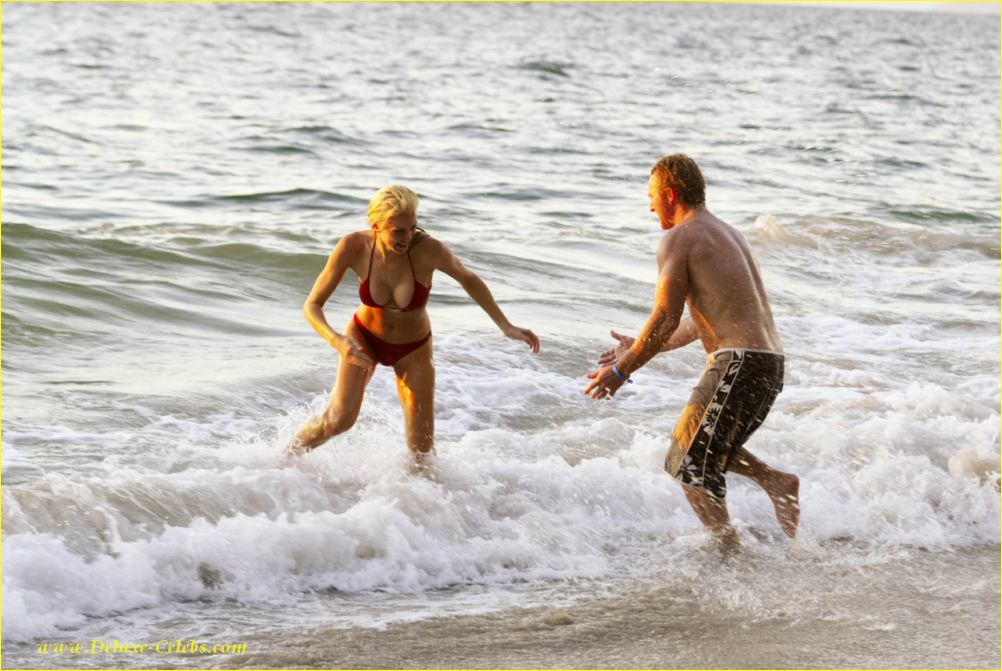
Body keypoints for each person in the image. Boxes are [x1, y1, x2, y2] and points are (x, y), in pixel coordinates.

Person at [584, 154, 799, 550]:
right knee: (697, 446)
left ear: (670, 194)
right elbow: (698, 322)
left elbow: (665, 316)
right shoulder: (727, 234)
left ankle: (728, 552)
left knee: (687, 461)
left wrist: (620, 371)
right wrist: (638, 345)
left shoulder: (679, 238)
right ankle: (773, 482)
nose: (650, 208)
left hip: (738, 363)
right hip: (768, 365)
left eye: (652, 197)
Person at [288, 184, 540, 468]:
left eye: (413, 228)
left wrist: (505, 326)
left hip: (413, 348)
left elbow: (468, 279)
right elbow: (312, 306)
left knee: (422, 451)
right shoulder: (353, 247)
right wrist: (338, 341)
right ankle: (284, 459)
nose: (408, 237)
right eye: (399, 231)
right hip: (364, 338)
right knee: (338, 421)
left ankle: (419, 495)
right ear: (376, 226)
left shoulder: (429, 250)